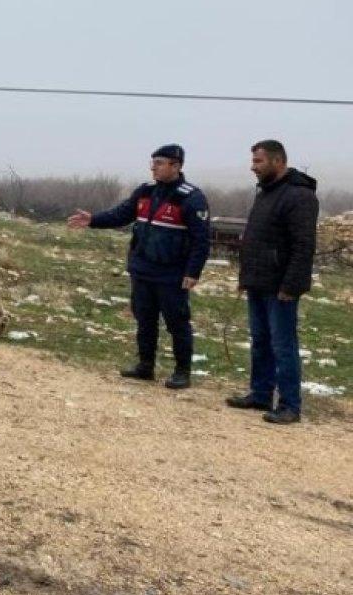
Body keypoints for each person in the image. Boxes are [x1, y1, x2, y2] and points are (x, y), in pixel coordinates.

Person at [68, 144, 210, 389]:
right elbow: (121, 214)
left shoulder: (191, 197)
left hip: (172, 273)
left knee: (177, 323)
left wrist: (193, 272)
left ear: (176, 166)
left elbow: (201, 239)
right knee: (144, 319)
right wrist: (93, 220)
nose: (153, 167)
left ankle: (182, 371)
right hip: (142, 268)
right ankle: (145, 366)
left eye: (159, 163)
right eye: (152, 162)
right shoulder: (145, 192)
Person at [226, 140, 318, 425]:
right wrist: (245, 278)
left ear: (278, 161)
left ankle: (290, 405)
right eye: (253, 161)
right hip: (258, 282)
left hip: (281, 287)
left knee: (283, 345)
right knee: (260, 341)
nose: (253, 167)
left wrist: (291, 286)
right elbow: (256, 239)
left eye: (258, 161)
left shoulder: (299, 196)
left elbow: (304, 247)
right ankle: (261, 394)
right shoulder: (265, 193)